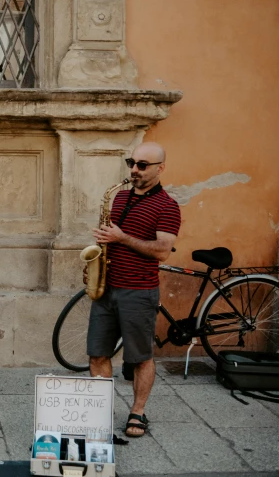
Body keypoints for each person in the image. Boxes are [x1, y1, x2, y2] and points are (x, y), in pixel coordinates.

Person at [88, 142, 181, 438]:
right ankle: (102, 411)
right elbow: (112, 237)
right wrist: (103, 240)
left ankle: (137, 412)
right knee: (97, 354)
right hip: (106, 288)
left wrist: (121, 237)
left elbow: (162, 251)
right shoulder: (120, 197)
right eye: (132, 162)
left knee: (140, 357)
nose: (134, 170)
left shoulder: (168, 206)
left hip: (139, 292)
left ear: (160, 168)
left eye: (142, 165)